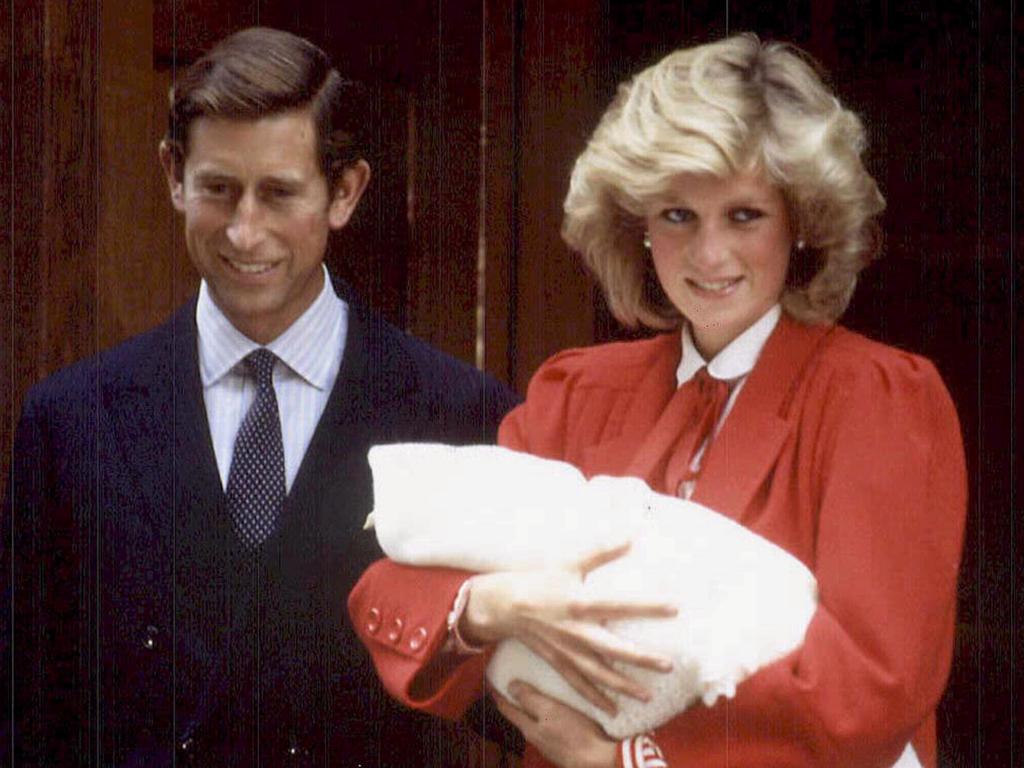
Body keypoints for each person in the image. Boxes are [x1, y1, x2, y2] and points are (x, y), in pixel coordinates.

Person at [349, 34, 967, 768]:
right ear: (636, 223)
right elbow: (388, 586)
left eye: (744, 215)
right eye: (677, 214)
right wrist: (493, 609)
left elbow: (873, 689)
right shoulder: (576, 393)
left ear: (800, 220)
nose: (709, 255)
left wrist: (628, 759)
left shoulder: (879, 400)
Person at [2, 27, 519, 767]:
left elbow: (519, 708)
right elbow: (27, 716)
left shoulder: (454, 415)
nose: (246, 232)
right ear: (173, 176)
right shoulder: (71, 420)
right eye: (219, 189)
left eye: (279, 194)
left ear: (344, 193)